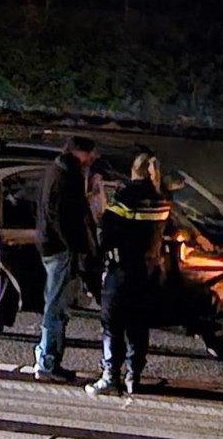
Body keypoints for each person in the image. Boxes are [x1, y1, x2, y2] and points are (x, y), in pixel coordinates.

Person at [85, 153, 171, 396]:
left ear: (135, 171)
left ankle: (110, 376)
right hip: (147, 272)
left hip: (121, 270)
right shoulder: (161, 199)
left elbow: (107, 229)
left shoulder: (126, 196)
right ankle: (134, 376)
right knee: (138, 325)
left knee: (112, 324)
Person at [33, 135, 97, 383]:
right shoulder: (67, 176)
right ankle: (47, 362)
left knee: (56, 304)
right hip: (60, 250)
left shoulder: (54, 170)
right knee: (56, 307)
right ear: (79, 153)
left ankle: (48, 360)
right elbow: (62, 217)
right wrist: (74, 247)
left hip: (50, 246)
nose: (91, 159)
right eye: (89, 154)